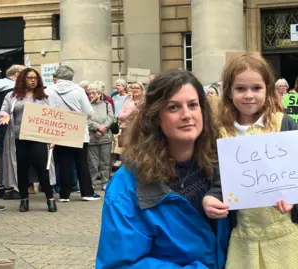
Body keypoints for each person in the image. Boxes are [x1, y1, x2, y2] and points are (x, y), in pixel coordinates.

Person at [96, 69, 230, 268]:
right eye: (174, 107)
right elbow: (120, 264)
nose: (187, 115)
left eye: (193, 105)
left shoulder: (224, 165)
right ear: (156, 116)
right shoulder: (127, 185)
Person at [203, 53, 298, 269]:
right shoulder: (220, 133)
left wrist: (294, 197)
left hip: (289, 233)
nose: (249, 95)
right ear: (229, 91)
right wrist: (210, 199)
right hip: (246, 236)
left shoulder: (284, 124)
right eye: (240, 89)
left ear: (268, 89)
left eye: (256, 88)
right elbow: (218, 181)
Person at [0, 68, 56, 212]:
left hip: (38, 137)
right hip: (19, 137)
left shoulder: (43, 96)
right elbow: (4, 109)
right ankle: (24, 199)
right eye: (30, 77)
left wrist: (53, 137)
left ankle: (50, 198)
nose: (33, 80)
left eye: (35, 78)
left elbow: (52, 117)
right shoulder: (12, 96)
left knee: (42, 167)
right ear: (23, 79)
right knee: (22, 168)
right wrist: (5, 115)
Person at [46, 65, 100, 202]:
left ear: (57, 76)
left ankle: (64, 194)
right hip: (78, 131)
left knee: (63, 162)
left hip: (59, 130)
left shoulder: (49, 90)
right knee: (81, 162)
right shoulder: (78, 90)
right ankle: (87, 192)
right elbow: (88, 112)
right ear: (71, 77)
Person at [0, 64, 24, 201]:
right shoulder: (12, 90)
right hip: (9, 125)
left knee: (1, 157)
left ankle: (1, 187)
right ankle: (10, 188)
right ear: (17, 74)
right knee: (11, 157)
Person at [87, 83, 114, 191]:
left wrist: (103, 129)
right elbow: (86, 119)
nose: (91, 95)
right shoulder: (87, 106)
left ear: (99, 93)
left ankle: (105, 182)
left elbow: (111, 118)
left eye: (94, 93)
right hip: (92, 137)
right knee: (92, 162)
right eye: (90, 93)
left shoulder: (107, 105)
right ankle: (92, 182)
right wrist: (97, 127)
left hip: (105, 137)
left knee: (105, 161)